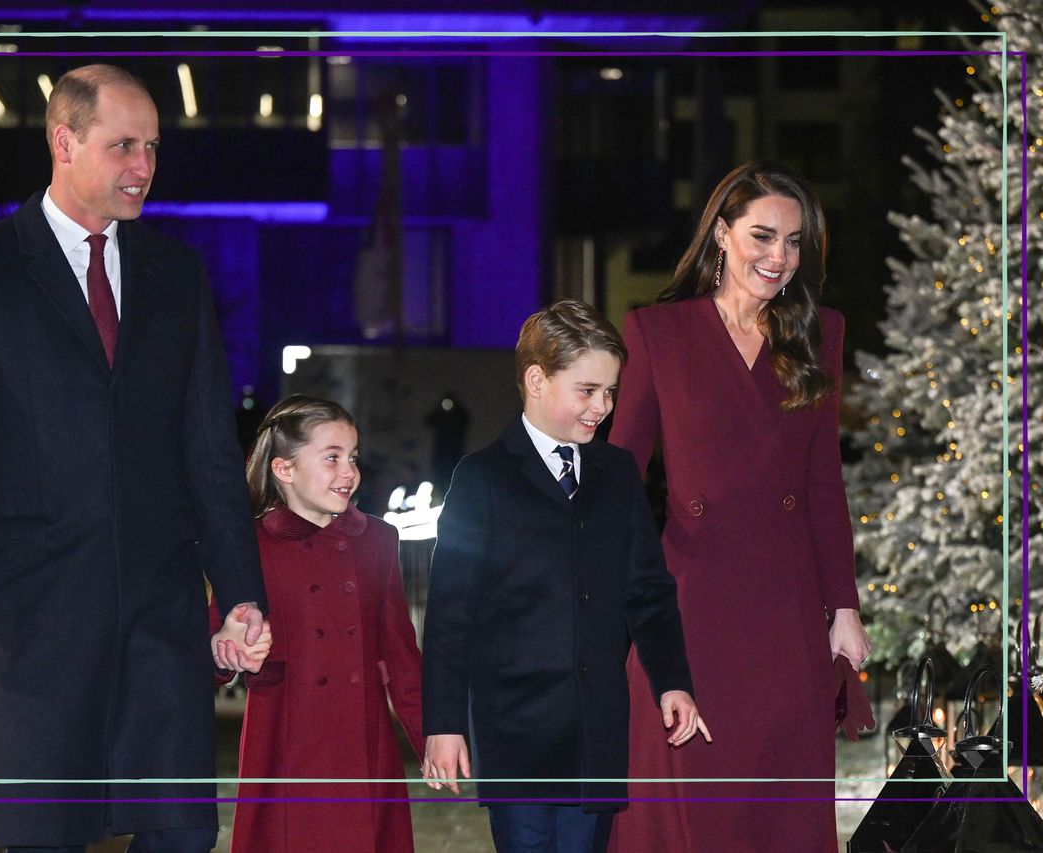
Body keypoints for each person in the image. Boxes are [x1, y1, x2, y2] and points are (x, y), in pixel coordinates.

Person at [0, 64, 270, 853]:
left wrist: (239, 592)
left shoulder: (177, 274)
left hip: (158, 625)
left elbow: (208, 451)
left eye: (154, 148)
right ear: (63, 142)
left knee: (181, 835)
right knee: (42, 841)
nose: (144, 166)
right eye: (124, 145)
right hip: (28, 631)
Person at [606, 161, 871, 853]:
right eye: (761, 235)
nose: (778, 257)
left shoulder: (821, 334)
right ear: (722, 234)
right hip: (689, 604)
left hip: (786, 608)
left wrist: (843, 607)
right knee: (690, 795)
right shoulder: (656, 333)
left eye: (792, 241)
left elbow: (821, 485)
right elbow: (620, 474)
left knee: (779, 797)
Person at [422, 299, 710, 853]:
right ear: (536, 380)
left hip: (596, 731)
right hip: (516, 732)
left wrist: (672, 680)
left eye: (610, 392)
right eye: (587, 390)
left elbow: (647, 592)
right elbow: (450, 615)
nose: (603, 406)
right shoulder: (481, 479)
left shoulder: (618, 473)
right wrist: (444, 723)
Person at [227, 395, 424, 853]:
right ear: (284, 469)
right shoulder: (250, 545)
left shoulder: (378, 540)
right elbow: (215, 643)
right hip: (283, 745)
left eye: (352, 458)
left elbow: (401, 653)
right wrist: (228, 649)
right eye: (332, 458)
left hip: (364, 746)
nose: (349, 472)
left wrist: (433, 737)